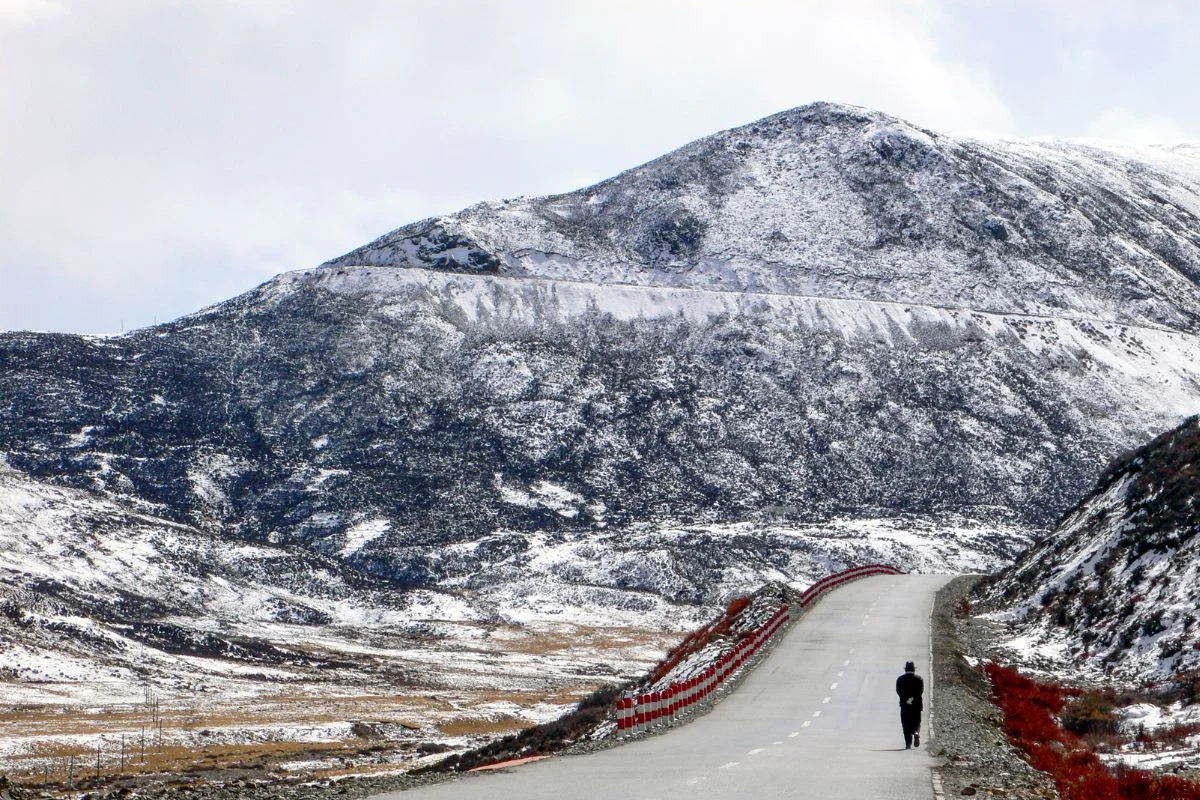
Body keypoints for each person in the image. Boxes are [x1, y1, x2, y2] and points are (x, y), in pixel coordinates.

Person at [896, 660, 924, 749]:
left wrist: (907, 699)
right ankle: (916, 732)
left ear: (905, 669)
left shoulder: (900, 679)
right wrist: (912, 698)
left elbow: (899, 691)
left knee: (906, 724)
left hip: (905, 705)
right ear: (914, 669)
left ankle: (908, 744)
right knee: (917, 721)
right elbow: (920, 691)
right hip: (917, 705)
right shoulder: (919, 679)